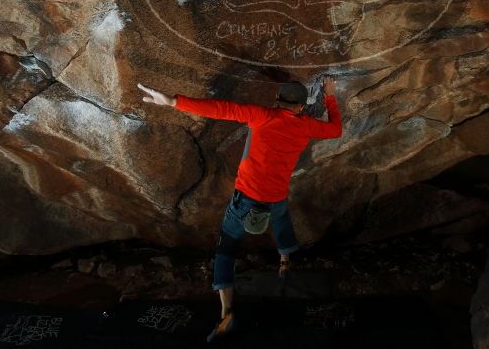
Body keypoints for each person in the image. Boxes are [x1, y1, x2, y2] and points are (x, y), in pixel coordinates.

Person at [137, 76, 342, 342]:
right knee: (281, 221)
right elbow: (336, 129)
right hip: (275, 197)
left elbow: (221, 109)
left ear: (277, 101)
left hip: (245, 200)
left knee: (226, 249)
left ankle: (227, 311)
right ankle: (285, 264)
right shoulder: (307, 127)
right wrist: (329, 95)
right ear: (302, 108)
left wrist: (173, 101)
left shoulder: (261, 116)